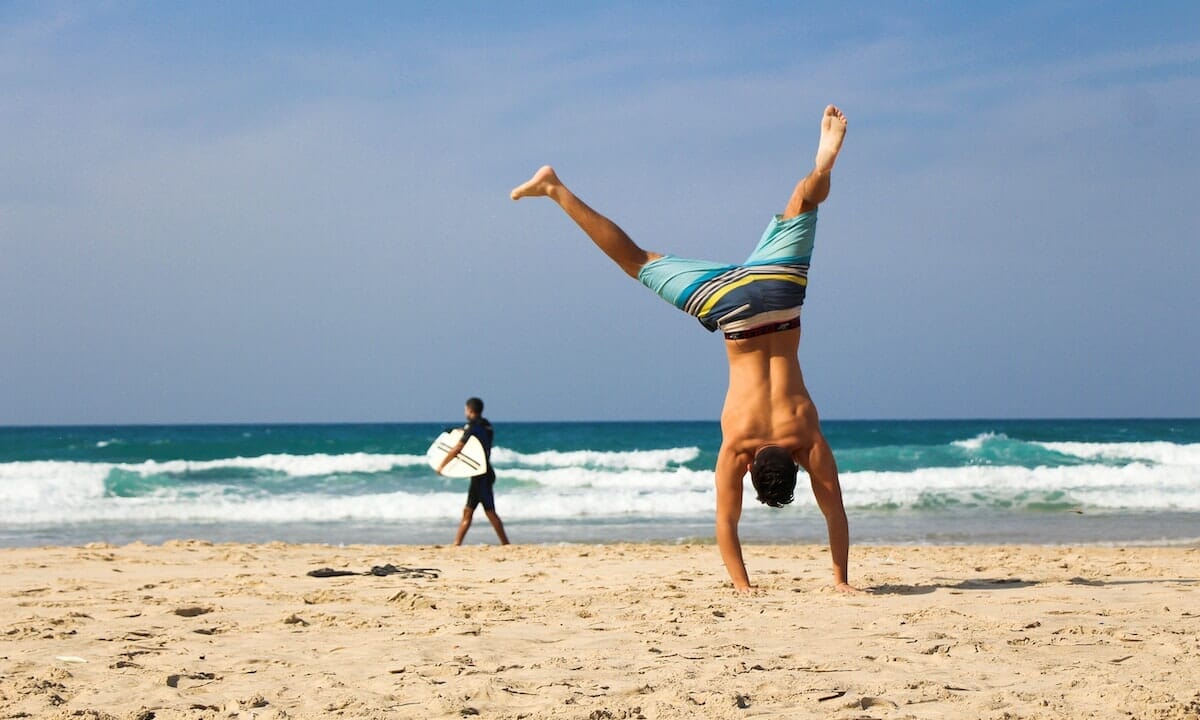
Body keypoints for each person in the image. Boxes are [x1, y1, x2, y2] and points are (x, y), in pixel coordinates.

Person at [511, 105, 857, 593]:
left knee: (803, 201)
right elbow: (727, 523)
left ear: (794, 464)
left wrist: (843, 579)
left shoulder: (807, 437)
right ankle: (554, 188)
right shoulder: (739, 446)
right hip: (732, 312)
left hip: (779, 294)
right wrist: (743, 586)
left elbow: (836, 513)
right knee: (636, 260)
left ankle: (820, 169)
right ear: (751, 469)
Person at [436, 397, 510, 546]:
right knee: (468, 511)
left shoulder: (472, 427)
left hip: (481, 476)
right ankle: (456, 543)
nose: (465, 412)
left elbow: (458, 448)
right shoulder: (487, 426)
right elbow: (477, 438)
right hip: (484, 472)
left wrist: (442, 465)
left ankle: (506, 544)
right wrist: (460, 431)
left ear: (470, 410)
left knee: (490, 512)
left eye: (465, 409)